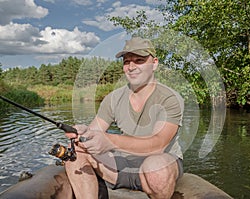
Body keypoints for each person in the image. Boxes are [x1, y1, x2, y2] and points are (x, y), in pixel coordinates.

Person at [65, 37, 184, 199]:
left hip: (159, 164)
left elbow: (158, 145)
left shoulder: (170, 98)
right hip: (123, 164)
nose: (131, 67)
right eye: (127, 62)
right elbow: (95, 131)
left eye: (139, 60)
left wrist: (110, 141)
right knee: (77, 152)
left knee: (156, 167)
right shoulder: (113, 98)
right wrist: (82, 134)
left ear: (154, 63)